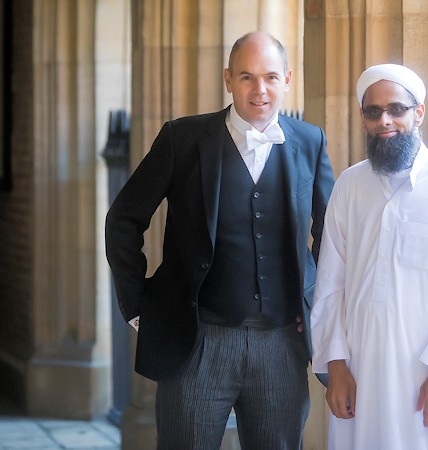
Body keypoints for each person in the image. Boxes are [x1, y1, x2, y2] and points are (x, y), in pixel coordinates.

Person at [105, 31, 334, 449]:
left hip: (281, 344)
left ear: (287, 79)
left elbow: (334, 236)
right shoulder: (183, 139)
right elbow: (123, 219)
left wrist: (313, 300)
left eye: (269, 77)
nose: (259, 90)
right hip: (197, 343)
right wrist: (138, 305)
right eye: (247, 77)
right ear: (228, 80)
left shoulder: (310, 142)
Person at [310, 64, 428, 450]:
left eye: (396, 109)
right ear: (362, 118)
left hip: (425, 380)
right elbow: (328, 286)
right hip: (358, 375)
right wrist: (335, 366)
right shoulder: (348, 186)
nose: (385, 120)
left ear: (418, 112)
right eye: (373, 112)